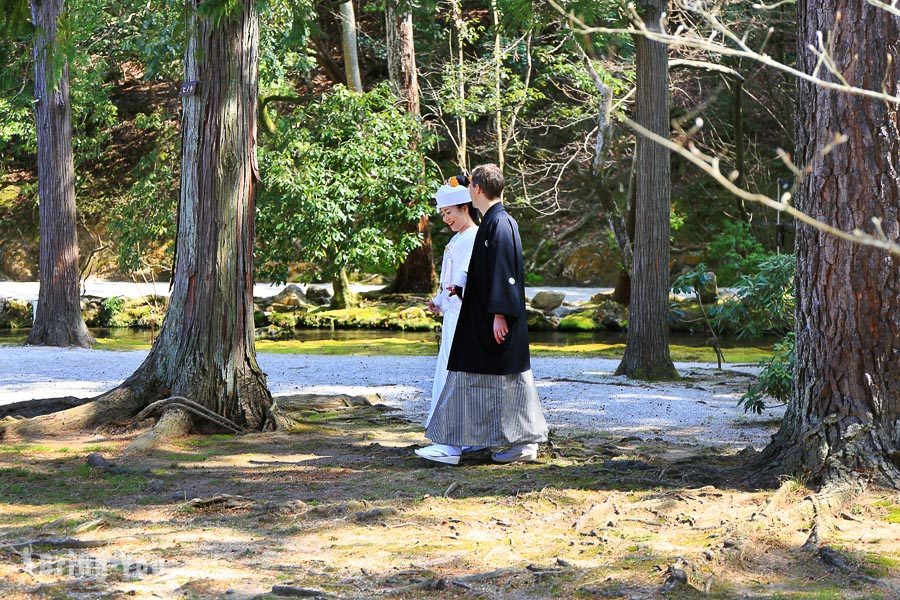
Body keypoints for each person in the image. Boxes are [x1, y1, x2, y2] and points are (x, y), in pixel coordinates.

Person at [416, 164, 548, 466]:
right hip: (481, 319)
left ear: (476, 189)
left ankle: (512, 443)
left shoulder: (499, 224)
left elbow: (504, 272)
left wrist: (500, 313)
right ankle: (499, 442)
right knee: (491, 380)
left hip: (492, 321)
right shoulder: (493, 222)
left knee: (501, 380)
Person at [424, 176, 479, 428]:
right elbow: (449, 280)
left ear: (464, 207)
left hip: (465, 315)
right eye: (443, 214)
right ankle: (445, 425)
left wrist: (455, 292)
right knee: (447, 368)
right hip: (452, 314)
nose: (446, 219)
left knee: (459, 371)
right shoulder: (456, 239)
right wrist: (439, 301)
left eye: (449, 213)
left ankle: (457, 428)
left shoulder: (474, 237)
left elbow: (464, 277)